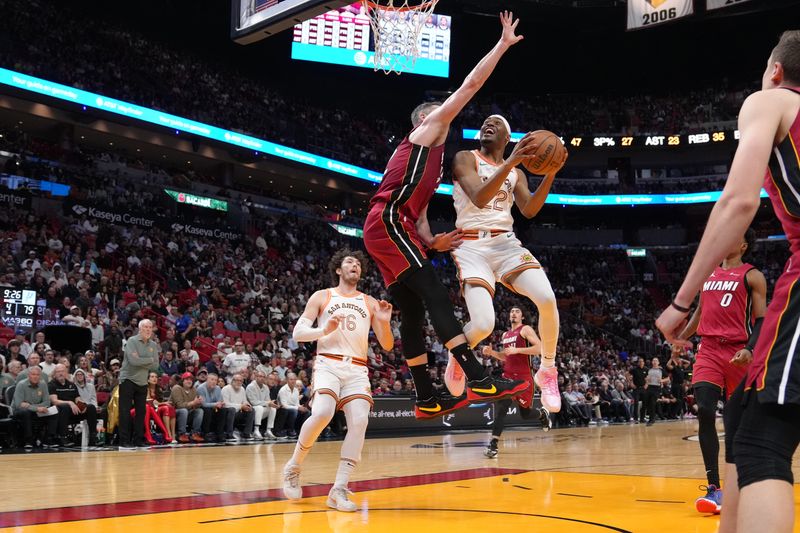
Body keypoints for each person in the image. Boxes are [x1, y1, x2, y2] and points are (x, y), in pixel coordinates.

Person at [656, 31, 800, 533]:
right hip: (716, 350)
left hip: (762, 317)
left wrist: (679, 302)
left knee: (762, 443)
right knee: (742, 423)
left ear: (776, 71)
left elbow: (739, 202)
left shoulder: (771, 100)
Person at [361, 11, 529, 419]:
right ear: (424, 118)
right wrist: (502, 46)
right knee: (435, 293)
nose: (447, 113)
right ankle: (476, 375)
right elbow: (471, 84)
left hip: (392, 225)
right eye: (440, 109)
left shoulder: (430, 161)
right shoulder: (425, 131)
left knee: (415, 311)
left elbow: (417, 215)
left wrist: (431, 240)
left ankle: (424, 397)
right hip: (385, 221)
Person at [446, 114, 567, 416]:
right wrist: (510, 163)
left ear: (507, 138)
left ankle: (548, 370)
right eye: (486, 123)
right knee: (484, 324)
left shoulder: (516, 174)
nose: (489, 124)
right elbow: (478, 197)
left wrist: (550, 173)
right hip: (472, 245)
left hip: (506, 243)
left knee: (548, 299)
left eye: (496, 124)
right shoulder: (465, 158)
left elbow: (529, 210)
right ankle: (458, 354)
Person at [283, 250, 394, 512]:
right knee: (322, 412)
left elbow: (387, 345)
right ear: (338, 269)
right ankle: (294, 466)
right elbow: (298, 333)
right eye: (349, 262)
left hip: (357, 368)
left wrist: (384, 323)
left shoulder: (369, 302)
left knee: (360, 420)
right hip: (328, 363)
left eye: (358, 264)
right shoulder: (322, 296)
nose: (354, 265)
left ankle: (339, 488)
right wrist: (324, 330)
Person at [669, 229, 766, 514]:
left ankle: (749, 482)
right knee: (706, 410)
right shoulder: (708, 274)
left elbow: (762, 320)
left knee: (744, 423)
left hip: (739, 353)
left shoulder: (752, 276)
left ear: (744, 245)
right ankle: (714, 488)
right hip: (709, 350)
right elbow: (700, 312)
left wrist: (749, 348)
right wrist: (681, 338)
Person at [480, 307, 550, 459]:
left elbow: (539, 348)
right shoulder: (505, 335)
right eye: (511, 311)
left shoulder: (525, 330)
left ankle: (542, 414)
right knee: (501, 409)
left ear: (522, 316)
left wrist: (518, 350)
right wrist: (492, 353)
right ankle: (493, 445)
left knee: (525, 414)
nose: (513, 313)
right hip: (508, 378)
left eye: (517, 311)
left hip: (524, 378)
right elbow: (507, 357)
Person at [118, 318, 159, 450]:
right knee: (124, 411)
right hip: (128, 379)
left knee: (141, 412)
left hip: (142, 381)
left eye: (150, 327)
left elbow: (156, 366)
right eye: (145, 327)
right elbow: (133, 361)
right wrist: (149, 360)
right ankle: (124, 440)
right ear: (140, 329)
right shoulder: (132, 341)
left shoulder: (153, 345)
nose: (148, 330)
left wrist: (142, 360)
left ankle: (138, 439)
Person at [49, 364, 98, 447]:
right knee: (65, 407)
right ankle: (63, 436)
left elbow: (77, 399)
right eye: (58, 372)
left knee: (91, 407)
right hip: (61, 412)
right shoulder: (52, 384)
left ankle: (93, 437)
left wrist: (83, 405)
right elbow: (54, 401)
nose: (60, 373)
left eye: (62, 371)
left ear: (66, 373)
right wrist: (69, 402)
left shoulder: (71, 385)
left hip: (73, 411)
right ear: (55, 374)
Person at [12, 366, 57, 448]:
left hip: (36, 411)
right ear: (28, 375)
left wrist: (30, 406)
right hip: (19, 411)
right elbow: (19, 404)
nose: (35, 376)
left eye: (37, 375)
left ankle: (48, 438)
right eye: (33, 374)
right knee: (26, 412)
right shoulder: (21, 384)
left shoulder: (43, 384)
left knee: (54, 411)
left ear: (40, 376)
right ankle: (28, 440)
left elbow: (47, 402)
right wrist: (37, 408)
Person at [170, 372, 204, 443]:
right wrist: (193, 403)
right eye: (187, 379)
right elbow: (179, 405)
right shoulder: (177, 388)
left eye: (191, 380)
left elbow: (195, 406)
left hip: (188, 412)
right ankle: (181, 434)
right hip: (174, 413)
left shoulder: (194, 389)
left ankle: (195, 433)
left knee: (200, 411)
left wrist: (199, 402)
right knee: (183, 410)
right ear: (182, 381)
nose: (189, 381)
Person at [221, 373, 254, 441]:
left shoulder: (242, 389)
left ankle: (246, 433)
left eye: (241, 381)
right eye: (237, 380)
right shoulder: (226, 389)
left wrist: (248, 405)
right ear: (232, 381)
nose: (239, 382)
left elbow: (244, 401)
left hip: (238, 412)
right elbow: (225, 404)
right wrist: (241, 406)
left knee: (251, 410)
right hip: (227, 413)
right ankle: (229, 434)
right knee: (232, 409)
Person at [146, 371, 175, 443]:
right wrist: (163, 403)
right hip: (150, 409)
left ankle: (173, 435)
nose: (154, 379)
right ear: (148, 379)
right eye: (152, 377)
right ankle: (168, 434)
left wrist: (162, 403)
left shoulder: (159, 389)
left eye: (156, 377)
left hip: (158, 408)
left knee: (170, 408)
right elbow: (150, 402)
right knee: (166, 407)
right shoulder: (145, 388)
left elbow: (158, 402)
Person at [197, 373, 226, 443]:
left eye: (216, 380)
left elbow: (219, 401)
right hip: (202, 408)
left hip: (213, 408)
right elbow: (203, 404)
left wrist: (220, 404)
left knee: (223, 410)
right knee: (207, 410)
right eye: (212, 379)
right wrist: (215, 404)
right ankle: (206, 433)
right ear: (207, 380)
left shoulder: (218, 388)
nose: (214, 382)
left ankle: (220, 433)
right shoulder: (201, 388)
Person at [245, 369, 272, 440]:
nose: (262, 378)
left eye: (263, 377)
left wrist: (272, 403)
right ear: (256, 377)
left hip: (262, 409)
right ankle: (256, 430)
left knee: (273, 408)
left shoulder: (266, 387)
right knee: (259, 407)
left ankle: (268, 430)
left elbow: (268, 400)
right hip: (252, 409)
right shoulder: (250, 387)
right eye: (260, 376)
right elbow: (253, 402)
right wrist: (268, 403)